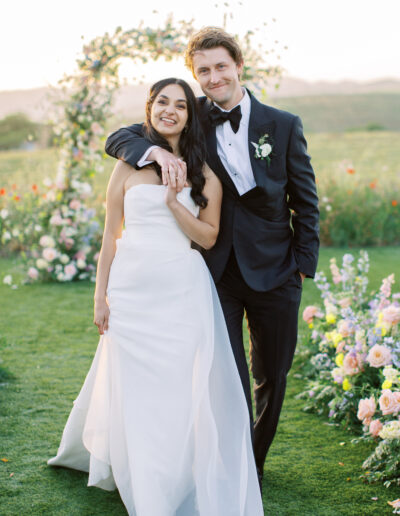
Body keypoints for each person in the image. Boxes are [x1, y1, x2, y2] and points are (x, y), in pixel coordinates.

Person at [105, 27, 320, 487]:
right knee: (225, 373)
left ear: (238, 65)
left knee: (273, 373)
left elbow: (305, 198)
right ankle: (230, 460)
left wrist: (304, 263)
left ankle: (254, 460)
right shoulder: (190, 115)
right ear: (195, 76)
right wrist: (154, 155)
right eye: (203, 70)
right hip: (213, 268)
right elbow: (121, 137)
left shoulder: (283, 124)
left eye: (221, 66)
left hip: (278, 268)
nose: (214, 76)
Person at [48, 78, 264, 516]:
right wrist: (100, 296)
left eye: (180, 105)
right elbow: (111, 236)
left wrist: (174, 204)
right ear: (149, 107)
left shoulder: (203, 175)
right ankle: (141, 472)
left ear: (190, 116)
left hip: (182, 289)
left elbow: (207, 237)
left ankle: (177, 471)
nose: (170, 111)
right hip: (131, 291)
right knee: (136, 386)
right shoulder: (127, 163)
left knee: (177, 384)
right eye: (162, 102)